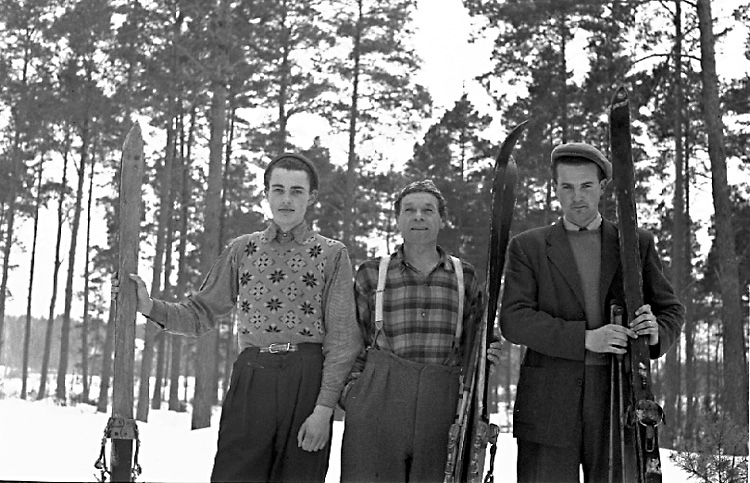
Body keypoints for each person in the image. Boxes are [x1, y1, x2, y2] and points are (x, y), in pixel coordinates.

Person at [128, 153, 362, 483]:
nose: (286, 199)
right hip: (253, 376)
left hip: (306, 379)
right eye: (278, 189)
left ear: (311, 197)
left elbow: (342, 341)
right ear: (266, 193)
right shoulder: (243, 250)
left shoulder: (331, 253)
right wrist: (150, 306)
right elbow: (200, 313)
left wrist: (324, 409)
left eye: (296, 191)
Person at [500, 142, 685, 482]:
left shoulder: (635, 243)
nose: (577, 197)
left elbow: (671, 310)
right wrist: (585, 339)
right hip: (548, 401)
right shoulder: (528, 247)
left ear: (602, 187)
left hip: (618, 399)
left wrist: (656, 331)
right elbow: (513, 320)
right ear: (555, 188)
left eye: (586, 186)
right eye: (567, 187)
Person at [340, 179, 503, 483]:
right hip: (379, 398)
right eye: (409, 210)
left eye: (428, 210)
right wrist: (354, 395)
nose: (418, 216)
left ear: (441, 219)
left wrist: (489, 349)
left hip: (441, 403)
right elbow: (351, 342)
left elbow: (477, 342)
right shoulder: (372, 273)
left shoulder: (464, 276)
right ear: (397, 219)